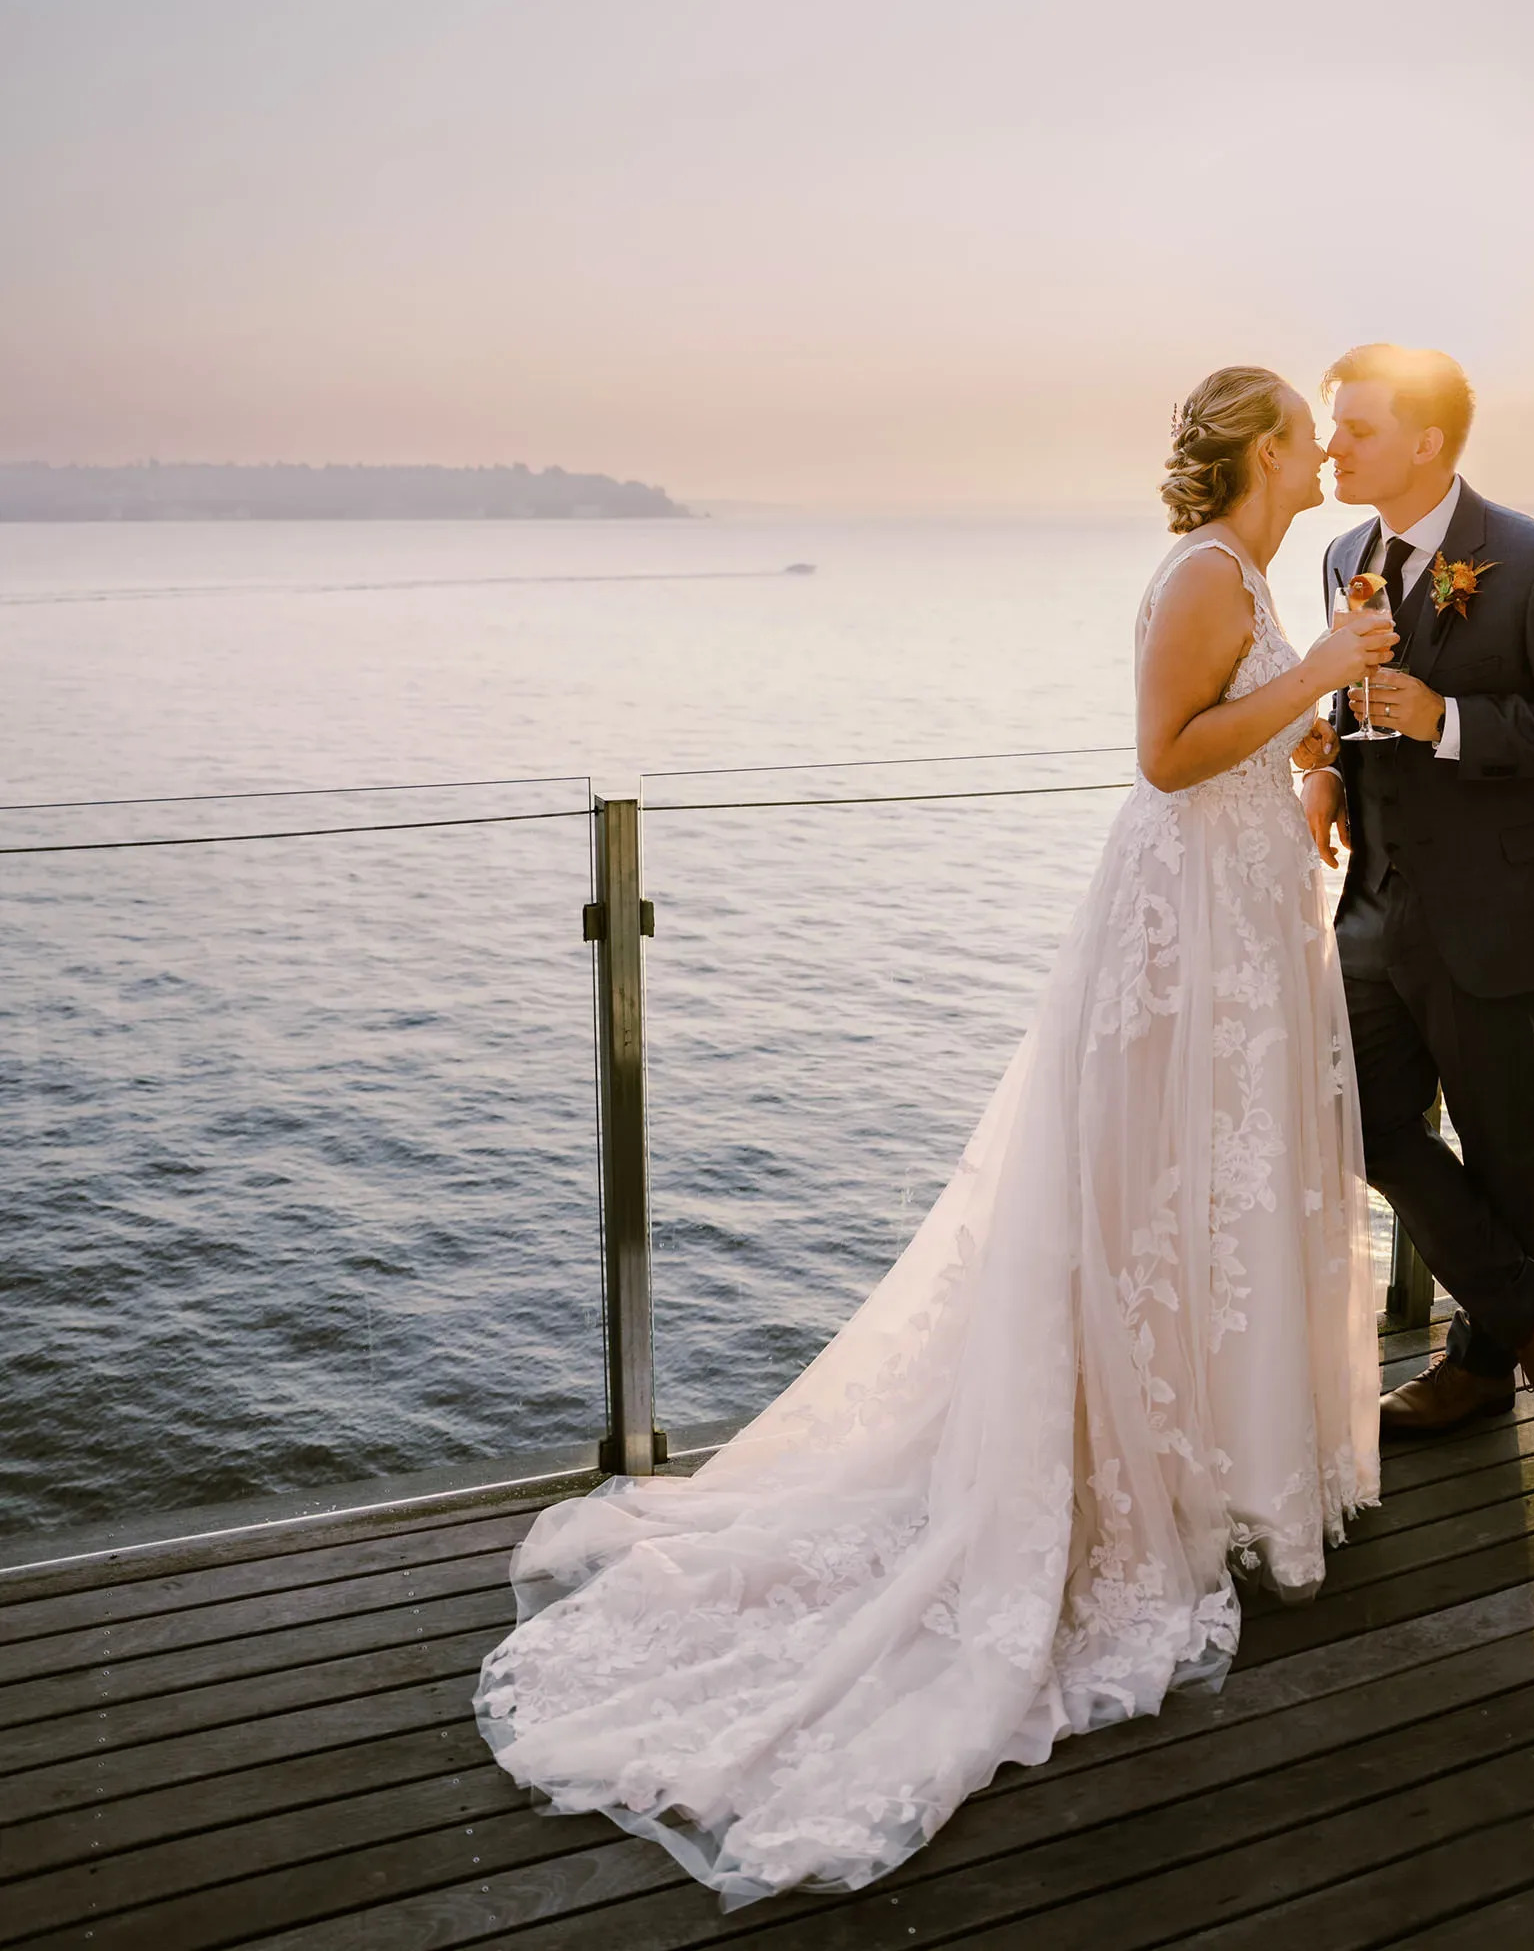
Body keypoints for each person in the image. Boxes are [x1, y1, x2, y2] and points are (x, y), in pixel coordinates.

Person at [475, 367, 1389, 1907]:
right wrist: (1317, 688)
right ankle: (1117, 1480)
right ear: (1253, 455)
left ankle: (1207, 1457)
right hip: (1179, 936)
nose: (1320, 456)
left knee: (1210, 1210)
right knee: (1149, 1197)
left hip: (1239, 924)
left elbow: (1230, 742)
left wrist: (1301, 763)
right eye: (1304, 435)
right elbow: (1163, 753)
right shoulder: (1200, 573)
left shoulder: (1259, 572)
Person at [1303, 343, 1534, 1469]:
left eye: (1354, 428)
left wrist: (1447, 720)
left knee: (1504, 1144)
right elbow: (1353, 712)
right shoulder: (1343, 551)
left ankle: (1481, 1372)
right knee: (1352, 1114)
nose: (1331, 445)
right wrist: (1323, 768)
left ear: (1426, 443)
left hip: (1498, 911)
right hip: (1373, 901)